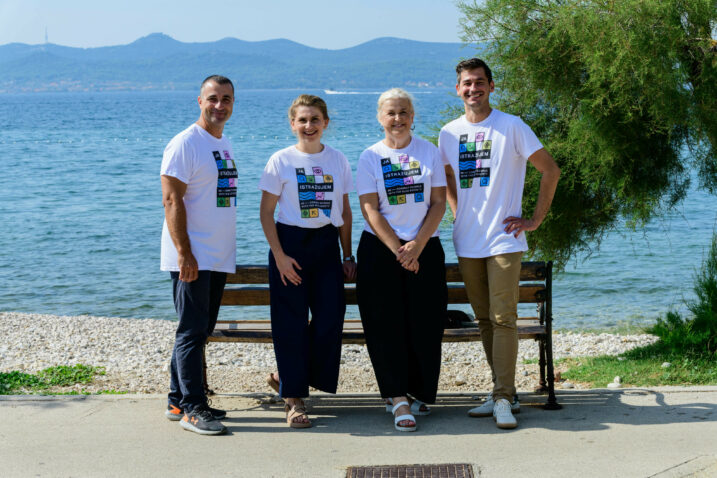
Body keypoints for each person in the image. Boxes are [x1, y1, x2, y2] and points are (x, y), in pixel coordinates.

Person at [439, 58, 561, 429]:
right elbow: (447, 178)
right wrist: (457, 212)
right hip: (468, 240)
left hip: (505, 239)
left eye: (479, 82)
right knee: (484, 320)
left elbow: (550, 170)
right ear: (458, 89)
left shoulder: (511, 126)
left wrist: (534, 220)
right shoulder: (448, 133)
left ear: (492, 86)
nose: (472, 88)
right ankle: (501, 390)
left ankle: (504, 398)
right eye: (466, 83)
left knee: (504, 317)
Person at [259, 94, 356, 429]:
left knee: (332, 315)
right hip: (289, 245)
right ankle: (294, 399)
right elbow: (266, 214)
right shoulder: (280, 160)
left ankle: (286, 376)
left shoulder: (338, 160)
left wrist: (347, 254)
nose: (309, 126)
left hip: (326, 244)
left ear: (325, 123)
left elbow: (344, 212)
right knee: (291, 323)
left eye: (315, 119)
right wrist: (280, 257)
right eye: (302, 120)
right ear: (292, 124)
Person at [356, 88, 447, 432]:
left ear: (413, 116)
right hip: (381, 250)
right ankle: (396, 399)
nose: (397, 119)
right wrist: (399, 249)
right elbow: (369, 208)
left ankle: (418, 392)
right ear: (380, 117)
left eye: (404, 112)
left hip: (425, 247)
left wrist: (417, 245)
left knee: (426, 323)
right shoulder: (370, 156)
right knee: (384, 327)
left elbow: (439, 203)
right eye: (391, 113)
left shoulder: (429, 151)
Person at [160, 75, 237, 435]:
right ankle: (193, 408)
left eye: (225, 99)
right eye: (212, 98)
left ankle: (178, 399)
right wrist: (184, 253)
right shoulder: (185, 143)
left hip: (216, 254)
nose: (219, 105)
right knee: (191, 331)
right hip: (193, 255)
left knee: (199, 330)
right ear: (199, 101)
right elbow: (172, 200)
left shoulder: (223, 143)